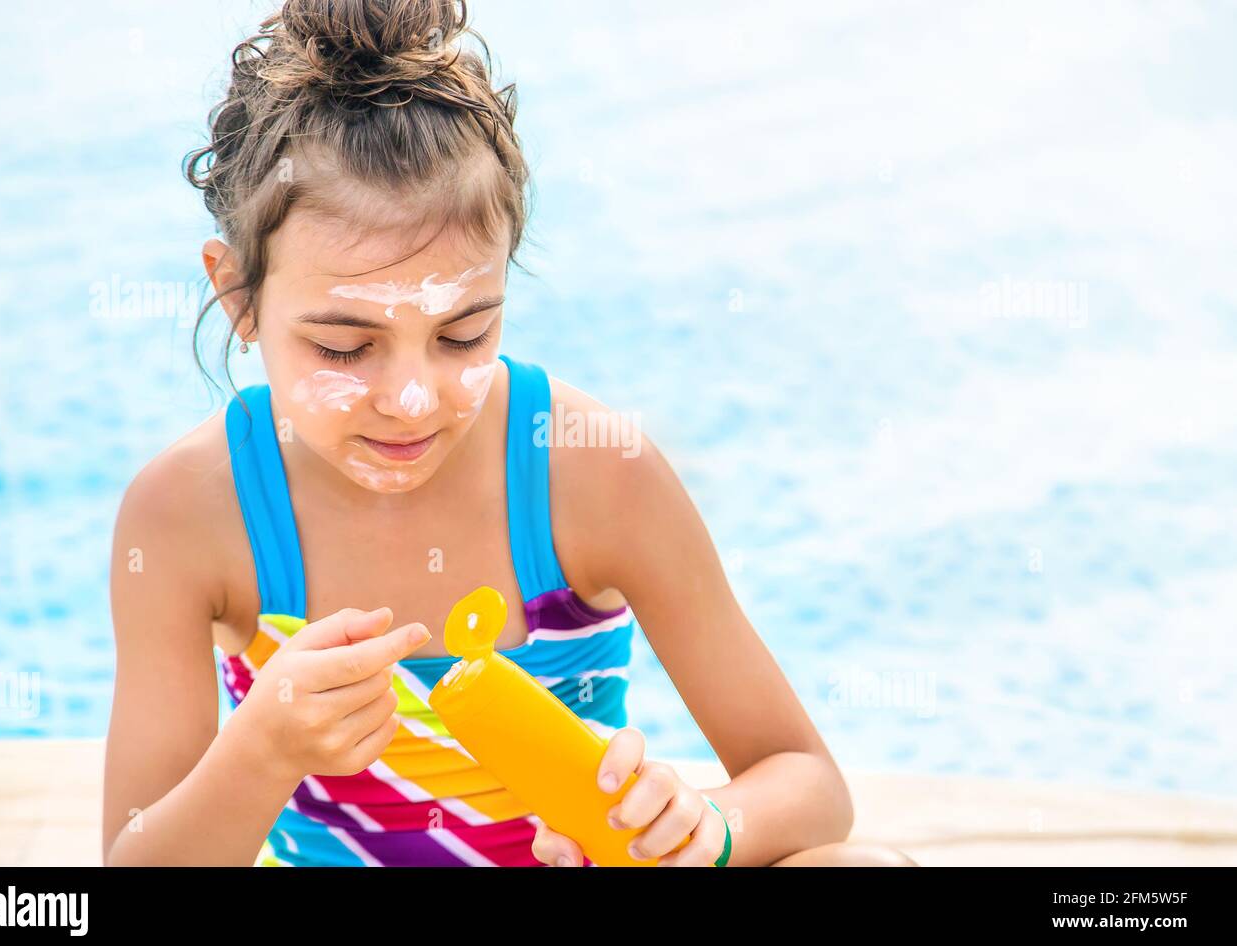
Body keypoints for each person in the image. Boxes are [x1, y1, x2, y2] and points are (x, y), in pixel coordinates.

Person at [102, 0, 917, 868]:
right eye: (345, 345)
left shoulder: (591, 474)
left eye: (463, 335)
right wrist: (261, 752)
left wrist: (708, 827)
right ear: (237, 298)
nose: (412, 401)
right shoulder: (190, 513)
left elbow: (808, 782)